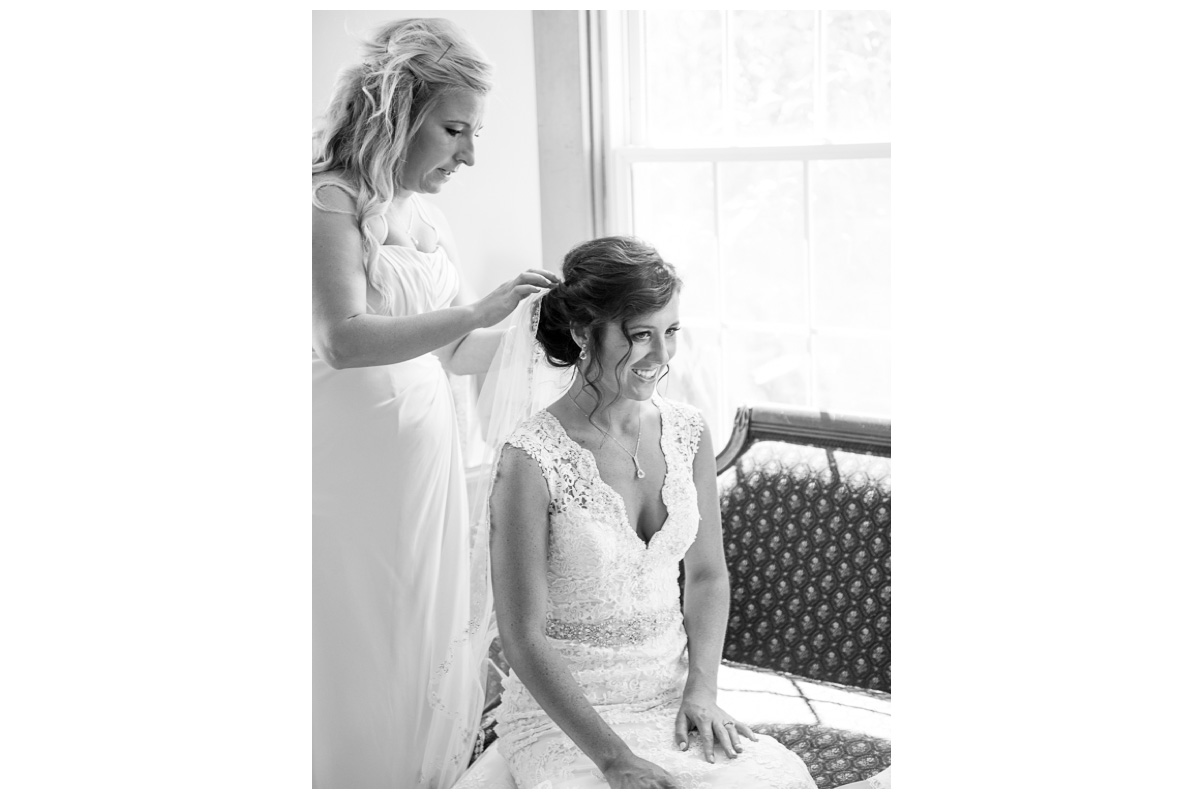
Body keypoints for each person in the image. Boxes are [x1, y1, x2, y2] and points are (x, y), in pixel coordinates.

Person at [457, 237, 890, 789]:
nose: (662, 357)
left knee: (777, 782)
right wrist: (614, 759)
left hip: (671, 698)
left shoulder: (687, 431)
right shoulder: (529, 459)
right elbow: (522, 637)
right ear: (582, 333)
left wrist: (702, 690)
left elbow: (707, 577)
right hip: (565, 721)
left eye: (671, 332)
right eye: (641, 335)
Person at [311, 18, 559, 789]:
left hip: (427, 450)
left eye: (475, 133)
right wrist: (476, 311)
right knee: (359, 631)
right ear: (398, 113)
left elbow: (457, 353)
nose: (470, 154)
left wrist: (543, 326)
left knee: (421, 625)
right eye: (455, 129)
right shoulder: (330, 200)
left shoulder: (429, 219)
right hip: (350, 456)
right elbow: (345, 339)